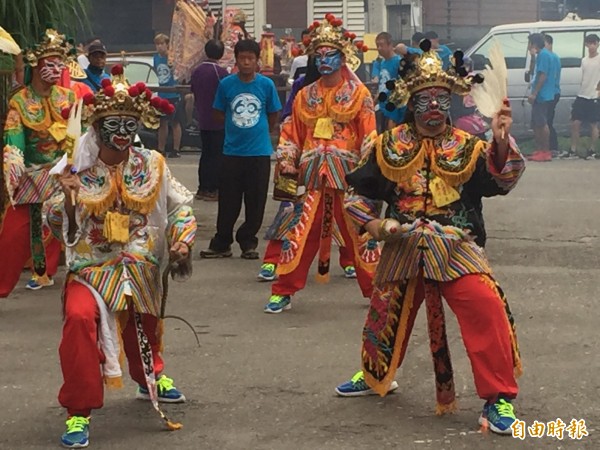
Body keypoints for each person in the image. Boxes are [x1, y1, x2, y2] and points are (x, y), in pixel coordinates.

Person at [335, 40, 524, 436]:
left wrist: (502, 141)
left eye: (442, 97)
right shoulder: (388, 146)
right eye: (426, 98)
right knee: (384, 312)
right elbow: (356, 195)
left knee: (486, 304)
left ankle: (498, 397)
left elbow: (501, 182)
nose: (435, 105)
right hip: (402, 243)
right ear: (411, 102)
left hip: (455, 245)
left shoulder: (470, 146)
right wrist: (374, 226)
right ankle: (375, 376)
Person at [49, 64, 196, 448]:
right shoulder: (75, 167)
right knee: (80, 318)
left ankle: (150, 375)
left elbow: (179, 205)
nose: (122, 133)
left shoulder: (151, 164)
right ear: (96, 127)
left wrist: (181, 239)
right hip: (91, 265)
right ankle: (78, 410)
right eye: (113, 123)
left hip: (136, 259)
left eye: (129, 124)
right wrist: (66, 197)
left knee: (144, 317)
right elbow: (52, 222)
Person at [263, 14, 380, 314]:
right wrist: (288, 160)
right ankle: (283, 289)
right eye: (320, 55)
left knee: (362, 235)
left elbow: (369, 134)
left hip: (349, 177)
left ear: (344, 57)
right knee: (300, 233)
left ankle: (378, 290)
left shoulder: (359, 94)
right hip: (313, 177)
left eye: (331, 55)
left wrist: (368, 174)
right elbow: (291, 133)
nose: (325, 60)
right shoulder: (304, 96)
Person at [0, 28, 75, 296]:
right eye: (49, 64)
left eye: (60, 65)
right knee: (14, 229)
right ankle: (2, 282)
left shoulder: (67, 97)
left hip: (61, 170)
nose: (55, 70)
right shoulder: (21, 100)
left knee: (54, 218)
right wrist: (14, 160)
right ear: (37, 66)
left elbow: (82, 131)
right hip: (30, 172)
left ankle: (45, 271)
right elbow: (13, 134)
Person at [200, 39, 282, 260]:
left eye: (250, 59)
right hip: (232, 152)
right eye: (242, 58)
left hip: (259, 153)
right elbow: (218, 112)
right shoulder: (226, 84)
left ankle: (248, 241)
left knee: (255, 202)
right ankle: (221, 242)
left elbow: (273, 114)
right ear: (236, 60)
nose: (246, 63)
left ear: (257, 61)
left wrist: (261, 129)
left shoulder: (266, 85)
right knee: (228, 200)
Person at [191, 39, 229, 201]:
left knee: (206, 154)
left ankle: (203, 187)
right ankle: (213, 188)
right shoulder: (220, 73)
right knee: (217, 155)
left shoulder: (197, 71)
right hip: (218, 119)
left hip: (203, 118)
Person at [562, 33, 600, 160]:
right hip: (582, 94)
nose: (592, 46)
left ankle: (592, 149)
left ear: (598, 44)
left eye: (594, 43)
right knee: (575, 122)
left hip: (594, 96)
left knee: (593, 124)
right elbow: (583, 77)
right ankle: (573, 149)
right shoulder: (584, 60)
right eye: (589, 43)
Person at [527, 33, 559, 162]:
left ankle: (546, 151)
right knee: (536, 123)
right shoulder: (541, 55)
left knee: (542, 123)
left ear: (534, 44)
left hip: (543, 94)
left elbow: (542, 75)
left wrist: (534, 93)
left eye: (529, 43)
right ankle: (540, 149)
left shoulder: (544, 55)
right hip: (542, 94)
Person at [154, 33, 184, 158]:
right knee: (162, 121)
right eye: (157, 44)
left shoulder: (172, 57)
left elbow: (178, 72)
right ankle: (161, 148)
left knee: (175, 122)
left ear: (167, 45)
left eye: (162, 44)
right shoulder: (155, 58)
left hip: (173, 93)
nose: (160, 47)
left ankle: (176, 149)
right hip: (162, 93)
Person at [371, 32, 404, 133]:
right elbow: (382, 84)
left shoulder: (398, 62)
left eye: (382, 45)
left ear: (390, 45)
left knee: (391, 134)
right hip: (382, 105)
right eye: (377, 46)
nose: (379, 48)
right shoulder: (383, 62)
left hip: (393, 105)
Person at [543, 34, 561, 156]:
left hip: (551, 93)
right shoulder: (553, 57)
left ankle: (553, 146)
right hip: (553, 92)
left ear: (549, 44)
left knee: (547, 121)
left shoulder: (551, 57)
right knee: (548, 120)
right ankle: (551, 146)